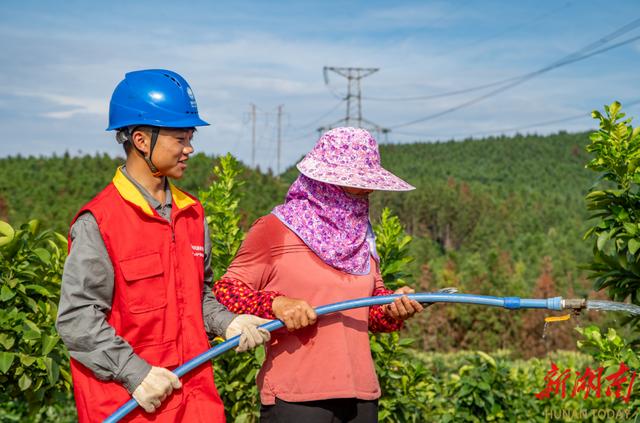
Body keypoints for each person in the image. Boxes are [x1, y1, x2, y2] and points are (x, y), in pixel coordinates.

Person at [56, 69, 271, 423]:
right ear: (141, 140)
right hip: (131, 405)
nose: (190, 149)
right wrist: (135, 373)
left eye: (191, 137)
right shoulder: (99, 222)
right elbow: (78, 320)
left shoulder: (192, 214)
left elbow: (197, 296)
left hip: (195, 401)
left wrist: (227, 323)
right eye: (180, 138)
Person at [213, 127, 424, 422]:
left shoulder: (364, 238)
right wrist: (276, 304)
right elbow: (225, 292)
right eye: (356, 184)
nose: (368, 192)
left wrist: (392, 307)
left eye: (368, 184)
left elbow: (370, 310)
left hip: (360, 394)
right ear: (326, 183)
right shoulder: (276, 230)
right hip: (297, 397)